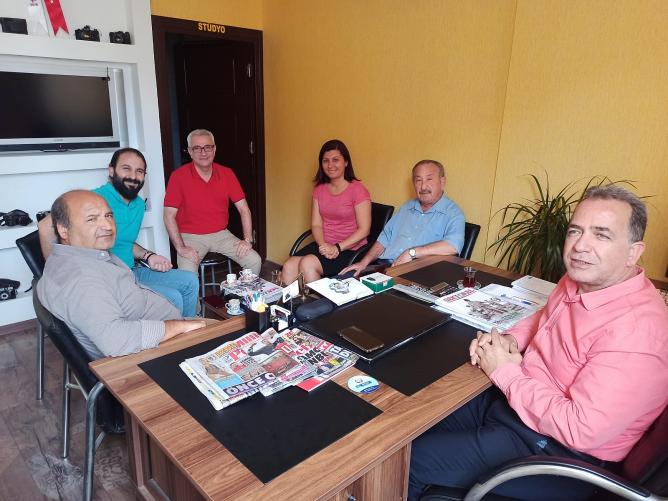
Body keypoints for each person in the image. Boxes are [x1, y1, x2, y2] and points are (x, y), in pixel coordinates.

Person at [408, 185, 668, 500]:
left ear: (633, 252)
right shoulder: (579, 280)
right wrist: (509, 340)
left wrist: (504, 371)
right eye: (575, 231)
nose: (580, 246)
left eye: (601, 235)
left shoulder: (637, 333)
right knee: (408, 430)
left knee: (409, 464)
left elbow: (579, 429)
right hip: (516, 404)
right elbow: (544, 318)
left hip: (559, 451)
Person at [36, 190, 206, 359]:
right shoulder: (82, 279)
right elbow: (116, 341)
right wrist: (180, 326)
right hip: (155, 354)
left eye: (109, 216)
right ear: (63, 230)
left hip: (161, 336)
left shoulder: (75, 257)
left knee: (189, 284)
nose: (108, 226)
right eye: (92, 219)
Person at [37, 148, 199, 317]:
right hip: (107, 278)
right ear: (111, 170)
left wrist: (149, 256)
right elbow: (45, 226)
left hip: (131, 271)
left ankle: (192, 328)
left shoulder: (138, 205)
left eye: (139, 171)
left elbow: (124, 242)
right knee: (172, 297)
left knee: (189, 281)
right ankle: (179, 332)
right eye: (126, 168)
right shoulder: (95, 199)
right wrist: (57, 275)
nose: (133, 176)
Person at [163, 129, 262, 276]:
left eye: (207, 147)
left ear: (214, 149)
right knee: (187, 275)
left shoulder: (227, 173)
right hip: (191, 236)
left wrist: (247, 239)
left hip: (222, 235)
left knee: (254, 260)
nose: (203, 152)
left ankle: (242, 291)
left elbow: (243, 209)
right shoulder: (178, 176)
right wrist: (180, 248)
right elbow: (168, 215)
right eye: (197, 148)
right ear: (190, 151)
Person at [341, 159, 464, 277]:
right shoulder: (407, 207)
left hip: (415, 274)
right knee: (341, 283)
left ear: (442, 182)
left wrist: (411, 253)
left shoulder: (453, 213)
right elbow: (384, 238)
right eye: (418, 180)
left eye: (429, 179)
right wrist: (363, 263)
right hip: (382, 268)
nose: (423, 187)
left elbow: (452, 246)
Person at [281, 139, 372, 283]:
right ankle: (291, 299)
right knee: (288, 265)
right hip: (325, 244)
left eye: (335, 160)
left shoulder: (358, 190)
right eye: (325, 161)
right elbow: (316, 225)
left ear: (346, 162)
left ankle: (316, 298)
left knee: (307, 263)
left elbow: (364, 230)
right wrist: (323, 246)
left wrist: (337, 248)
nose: (330, 165)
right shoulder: (319, 189)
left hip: (349, 249)